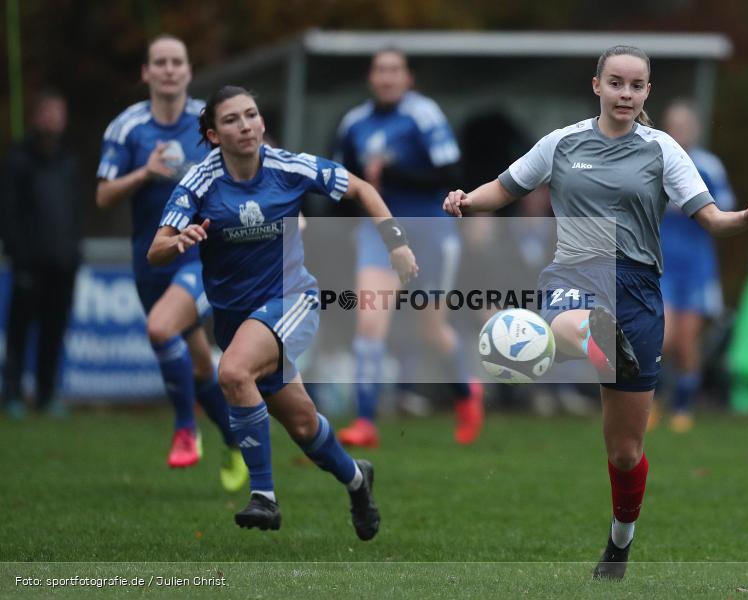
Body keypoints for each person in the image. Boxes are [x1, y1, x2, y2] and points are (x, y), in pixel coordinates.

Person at [443, 45, 748, 580]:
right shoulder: (562, 143)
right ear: (597, 85)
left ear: (647, 92)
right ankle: (587, 338)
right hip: (575, 273)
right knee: (563, 323)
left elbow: (714, 220)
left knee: (626, 452)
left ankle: (620, 543)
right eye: (616, 82)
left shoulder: (662, 150)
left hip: (638, 290)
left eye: (636, 85)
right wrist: (466, 201)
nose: (625, 93)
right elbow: (505, 189)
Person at [147, 85, 417, 535]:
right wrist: (176, 241)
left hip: (293, 301)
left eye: (251, 115)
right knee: (304, 425)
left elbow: (363, 188)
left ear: (262, 122)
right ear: (213, 135)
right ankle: (356, 479)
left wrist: (397, 244)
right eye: (232, 119)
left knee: (232, 372)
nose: (246, 125)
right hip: (236, 321)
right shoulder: (199, 182)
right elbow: (157, 249)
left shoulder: (289, 166)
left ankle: (264, 497)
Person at [95, 34, 247, 490]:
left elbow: (247, 168)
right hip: (151, 261)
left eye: (176, 61)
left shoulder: (208, 121)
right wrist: (145, 173)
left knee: (161, 329)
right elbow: (102, 196)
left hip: (200, 255)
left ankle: (185, 428)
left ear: (187, 70)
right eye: (158, 62)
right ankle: (239, 441)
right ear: (146, 73)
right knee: (201, 364)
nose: (168, 69)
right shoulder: (127, 128)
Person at [334, 47, 483, 447]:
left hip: (428, 232)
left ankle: (468, 395)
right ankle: (365, 421)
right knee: (369, 321)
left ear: (407, 78)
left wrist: (393, 175)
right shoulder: (354, 123)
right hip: (379, 231)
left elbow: (450, 172)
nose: (386, 78)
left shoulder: (423, 114)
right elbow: (342, 182)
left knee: (431, 329)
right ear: (371, 78)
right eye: (380, 70)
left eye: (394, 70)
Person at [2, 91, 82, 418]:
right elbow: (9, 213)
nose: (52, 119)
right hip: (28, 264)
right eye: (47, 113)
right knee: (20, 332)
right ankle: (13, 394)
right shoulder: (18, 161)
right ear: (36, 117)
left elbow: (76, 212)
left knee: (54, 332)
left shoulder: (69, 162)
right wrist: (19, 255)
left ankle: (48, 395)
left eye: (58, 113)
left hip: (63, 263)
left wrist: (74, 251)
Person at [658, 100, 737, 432]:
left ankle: (682, 407)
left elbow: (726, 205)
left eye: (686, 125)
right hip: (661, 264)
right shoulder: (654, 160)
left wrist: (695, 203)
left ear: (696, 129)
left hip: (696, 267)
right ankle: (652, 402)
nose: (681, 131)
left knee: (686, 342)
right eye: (674, 125)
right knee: (660, 337)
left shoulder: (708, 165)